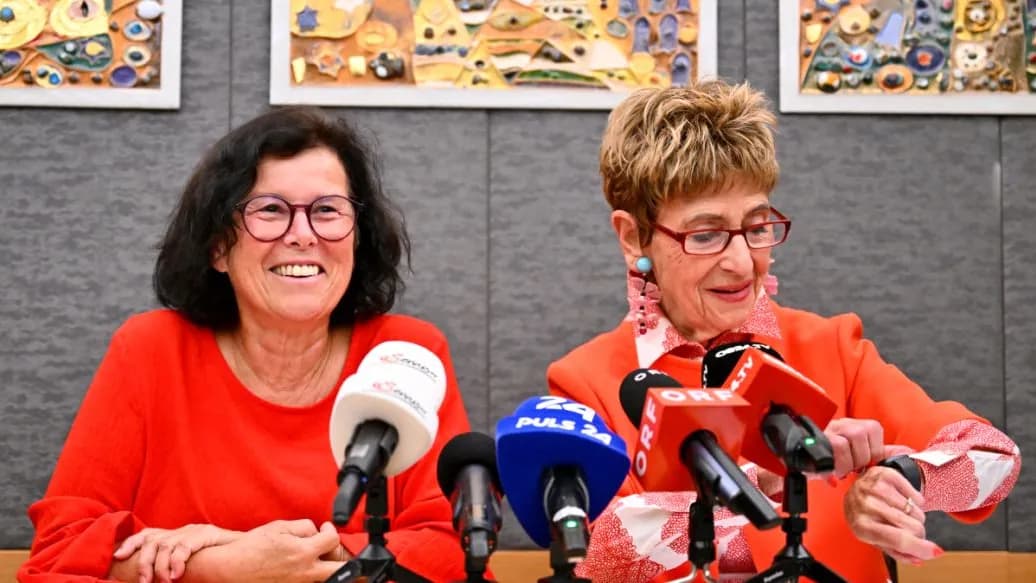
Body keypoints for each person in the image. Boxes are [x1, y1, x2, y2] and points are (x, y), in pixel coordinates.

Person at [547, 80, 1021, 583]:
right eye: (705, 235)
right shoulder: (586, 381)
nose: (742, 262)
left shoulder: (831, 347)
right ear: (633, 237)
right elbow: (598, 553)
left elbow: (995, 458)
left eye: (757, 227)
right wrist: (770, 473)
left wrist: (904, 479)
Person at [20, 106, 472, 583]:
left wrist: (275, 556)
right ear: (218, 247)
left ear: (357, 239)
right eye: (271, 210)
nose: (303, 236)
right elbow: (58, 554)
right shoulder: (151, 350)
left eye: (326, 210)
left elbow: (454, 553)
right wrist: (220, 565)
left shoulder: (405, 354)